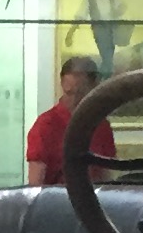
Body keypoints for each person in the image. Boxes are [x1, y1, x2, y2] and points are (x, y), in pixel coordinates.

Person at [25, 56, 118, 188]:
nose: (74, 100)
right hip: (57, 205)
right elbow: (35, 186)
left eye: (80, 93)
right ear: (63, 85)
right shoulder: (45, 125)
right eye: (69, 93)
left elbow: (106, 179)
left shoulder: (101, 126)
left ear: (93, 88)